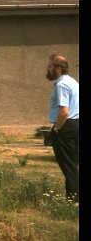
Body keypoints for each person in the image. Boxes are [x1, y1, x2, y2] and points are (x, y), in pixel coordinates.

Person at [46, 54, 79, 202]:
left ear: (58, 68)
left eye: (50, 66)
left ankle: (73, 200)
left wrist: (56, 130)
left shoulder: (61, 84)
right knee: (74, 163)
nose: (48, 69)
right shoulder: (73, 82)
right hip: (76, 124)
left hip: (66, 127)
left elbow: (64, 111)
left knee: (68, 165)